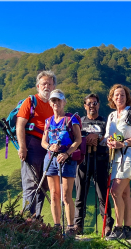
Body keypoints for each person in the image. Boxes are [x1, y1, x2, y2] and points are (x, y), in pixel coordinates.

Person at [103, 84, 131, 240]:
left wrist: (124, 143)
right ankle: (128, 229)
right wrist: (109, 142)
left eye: (122, 95)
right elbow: (108, 136)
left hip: (130, 156)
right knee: (125, 193)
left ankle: (118, 228)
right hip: (116, 157)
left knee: (115, 191)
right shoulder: (112, 116)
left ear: (127, 97)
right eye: (116, 95)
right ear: (112, 98)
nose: (119, 98)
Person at [41, 89, 82, 234]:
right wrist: (50, 147)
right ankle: (57, 226)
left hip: (67, 159)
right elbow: (43, 142)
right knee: (53, 194)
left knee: (66, 195)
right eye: (53, 100)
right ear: (50, 103)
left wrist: (67, 153)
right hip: (51, 158)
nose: (56, 103)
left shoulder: (71, 119)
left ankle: (70, 227)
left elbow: (78, 139)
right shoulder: (48, 121)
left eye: (59, 100)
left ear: (64, 102)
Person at [74, 93, 114, 236]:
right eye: (89, 103)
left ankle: (107, 225)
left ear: (99, 105)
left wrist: (98, 137)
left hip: (101, 160)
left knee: (103, 195)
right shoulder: (80, 122)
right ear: (85, 106)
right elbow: (75, 138)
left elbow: (109, 137)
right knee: (80, 194)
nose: (92, 106)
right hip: (83, 162)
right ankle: (78, 225)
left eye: (95, 103)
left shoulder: (105, 122)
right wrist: (87, 139)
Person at [17, 70, 56, 217]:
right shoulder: (30, 102)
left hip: (48, 148)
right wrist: (22, 147)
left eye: (49, 84)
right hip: (32, 145)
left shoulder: (54, 105)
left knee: (44, 186)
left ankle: (36, 219)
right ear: (38, 86)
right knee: (31, 184)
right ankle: (27, 218)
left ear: (53, 87)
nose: (46, 86)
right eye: (43, 84)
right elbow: (20, 125)